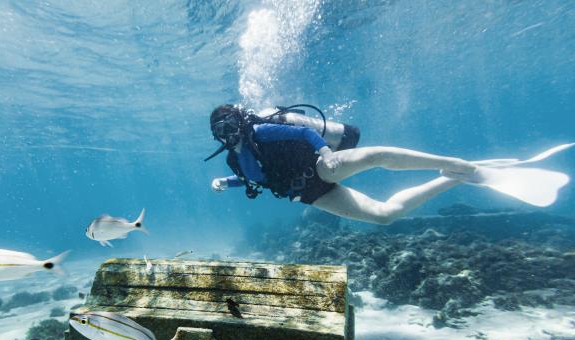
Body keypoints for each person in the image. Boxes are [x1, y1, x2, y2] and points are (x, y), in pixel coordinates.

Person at [206, 104, 572, 225]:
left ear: (240, 121)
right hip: (310, 194)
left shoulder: (260, 132)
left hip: (320, 167)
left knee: (377, 157)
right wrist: (227, 182)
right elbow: (258, 180)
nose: (228, 133)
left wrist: (325, 152)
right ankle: (455, 177)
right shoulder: (233, 159)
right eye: (220, 131)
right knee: (384, 216)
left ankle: (454, 162)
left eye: (230, 125)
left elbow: (303, 134)